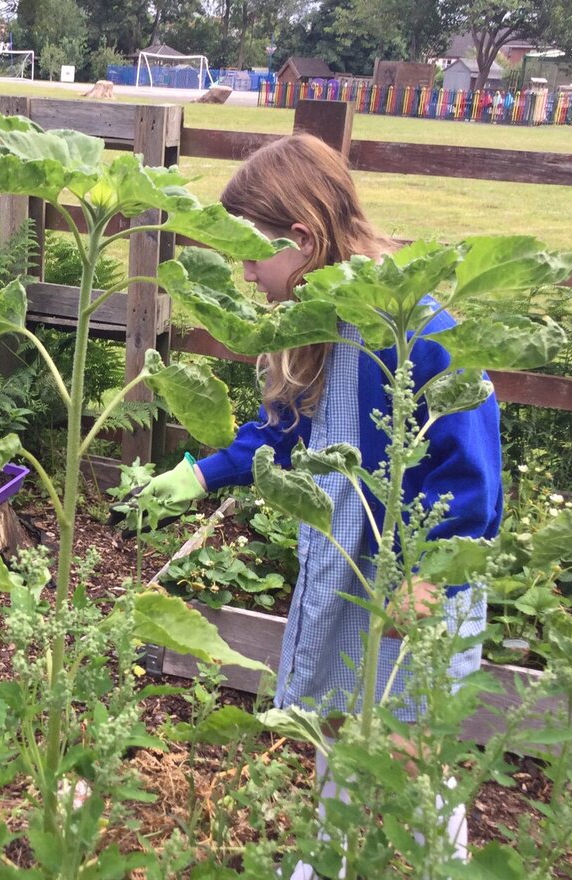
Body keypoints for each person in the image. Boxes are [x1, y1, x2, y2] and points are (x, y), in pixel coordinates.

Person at [121, 134, 502, 867]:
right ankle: (326, 858)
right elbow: (285, 429)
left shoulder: (416, 330)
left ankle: (442, 866)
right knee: (334, 725)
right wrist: (201, 475)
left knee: (405, 753)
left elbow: (469, 473)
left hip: (415, 583)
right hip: (347, 571)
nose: (245, 272)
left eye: (250, 252)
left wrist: (426, 580)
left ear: (301, 238)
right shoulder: (313, 325)